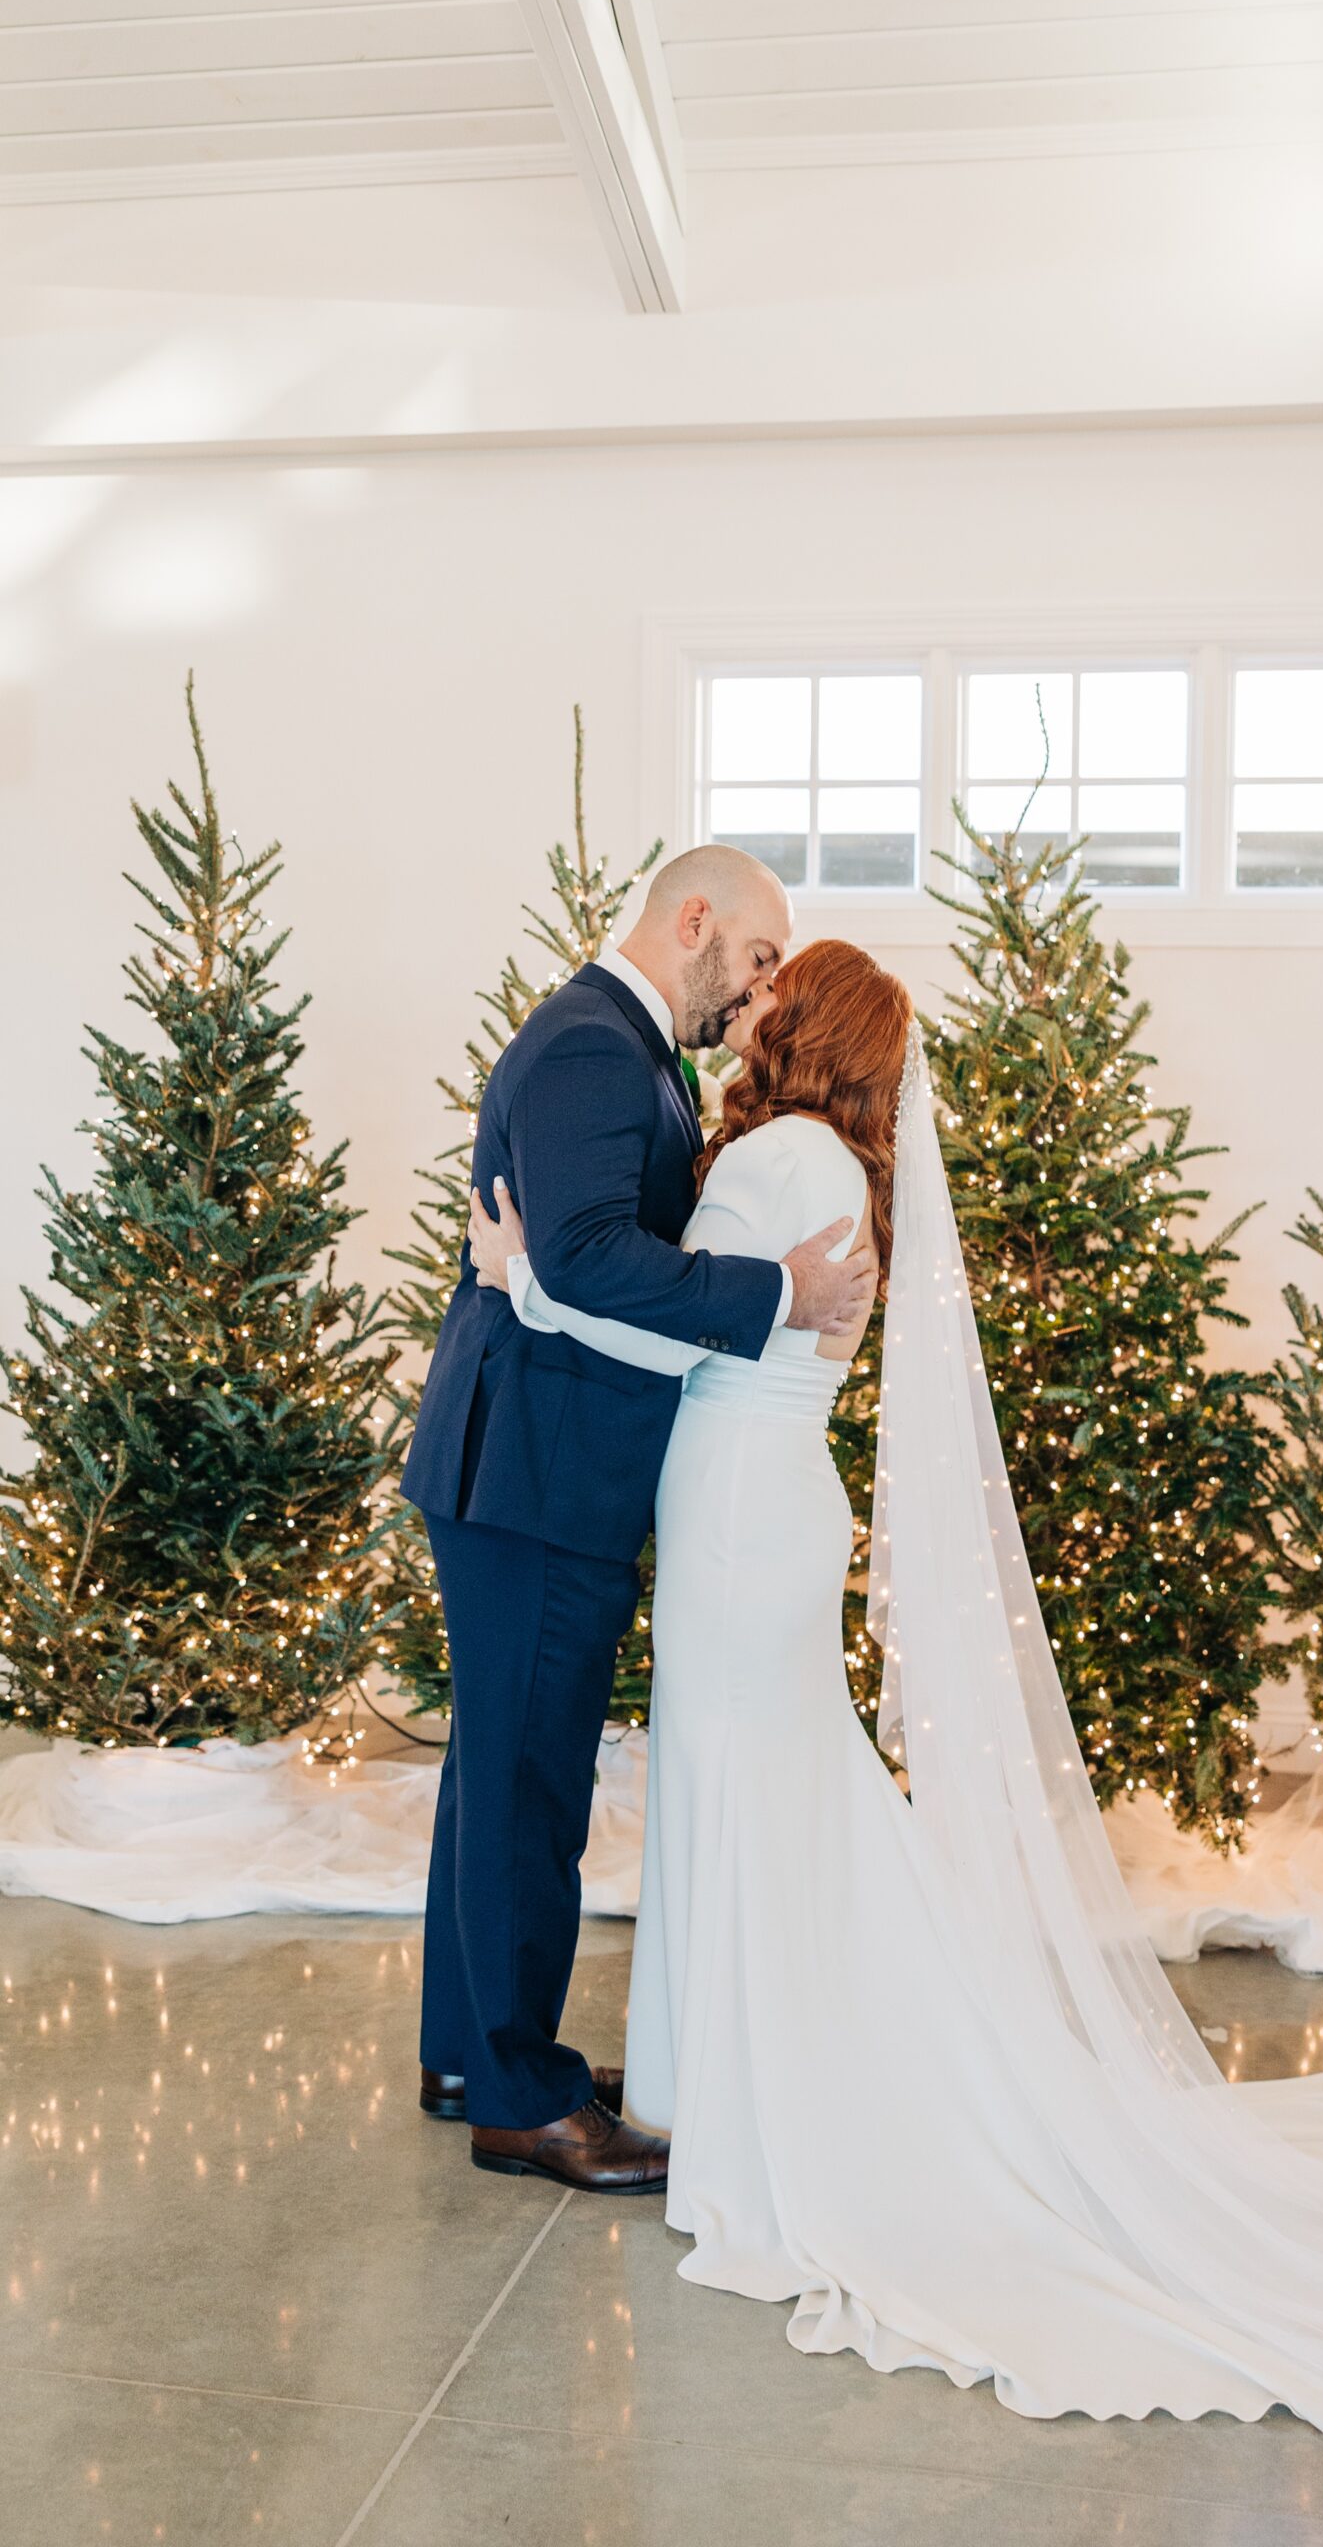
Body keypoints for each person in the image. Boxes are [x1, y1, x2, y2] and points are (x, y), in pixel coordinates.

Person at [468, 937, 1323, 2547]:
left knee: (758, 1791)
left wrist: (524, 1277)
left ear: (812, 1030)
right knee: (759, 1787)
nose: (750, 1003)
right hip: (760, 1507)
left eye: (778, 991)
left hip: (736, 1518)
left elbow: (668, 1331)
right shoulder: (840, 1158)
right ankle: (737, 2068)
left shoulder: (777, 1157)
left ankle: (790, 2097)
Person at [402, 849, 876, 2194]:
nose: (764, 990)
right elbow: (593, 1257)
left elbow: (570, 1260)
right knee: (526, 1783)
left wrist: (543, 1275)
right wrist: (774, 1290)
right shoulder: (596, 1052)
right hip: (537, 1478)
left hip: (531, 1468)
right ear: (695, 921)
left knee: (498, 1771)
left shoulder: (616, 1047)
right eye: (761, 956)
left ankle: (474, 2056)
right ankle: (518, 2099)